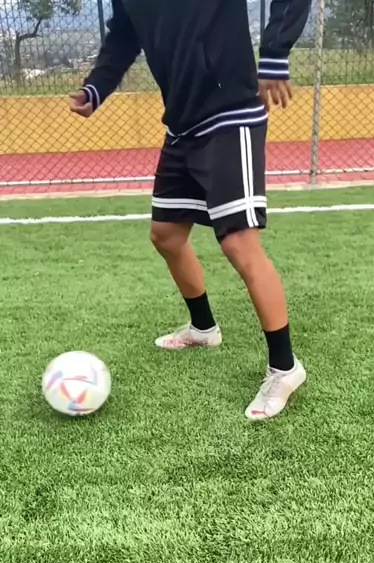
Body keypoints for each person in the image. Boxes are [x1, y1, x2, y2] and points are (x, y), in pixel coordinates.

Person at [70, 0, 311, 421]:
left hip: (231, 113)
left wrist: (275, 53)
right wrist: (97, 88)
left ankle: (285, 368)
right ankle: (203, 328)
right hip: (182, 125)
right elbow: (124, 33)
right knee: (166, 235)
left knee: (238, 243)